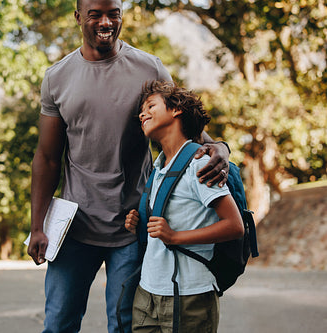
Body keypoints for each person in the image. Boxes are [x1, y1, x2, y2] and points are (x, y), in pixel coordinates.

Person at [27, 1, 231, 332]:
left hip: (132, 227)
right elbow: (47, 158)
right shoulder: (57, 78)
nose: (105, 22)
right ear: (79, 17)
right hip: (74, 229)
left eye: (113, 14)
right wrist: (38, 225)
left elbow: (189, 128)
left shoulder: (148, 68)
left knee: (124, 326)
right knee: (59, 323)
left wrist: (220, 147)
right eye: (95, 14)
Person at [124, 80, 244, 332]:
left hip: (190, 293)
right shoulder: (158, 169)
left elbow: (234, 226)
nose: (142, 114)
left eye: (150, 105)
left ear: (176, 109)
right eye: (141, 110)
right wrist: (139, 222)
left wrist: (175, 236)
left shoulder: (200, 164)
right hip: (148, 292)